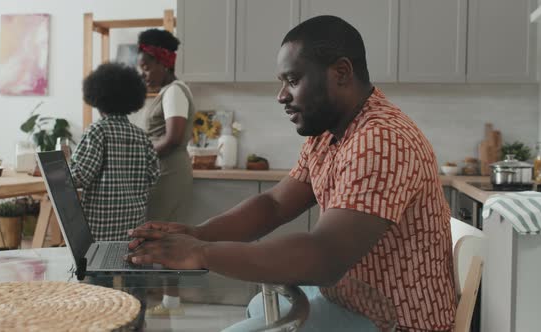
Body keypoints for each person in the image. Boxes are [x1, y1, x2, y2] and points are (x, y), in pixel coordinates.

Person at [127, 15, 456, 332]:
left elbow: (324, 256)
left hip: (396, 321)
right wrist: (199, 234)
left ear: (341, 72)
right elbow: (274, 204)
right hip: (355, 299)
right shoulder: (328, 133)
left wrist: (200, 252)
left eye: (293, 80)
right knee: (260, 307)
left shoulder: (380, 140)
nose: (281, 95)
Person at [137, 28, 196, 315]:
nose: (144, 74)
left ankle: (171, 303)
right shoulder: (169, 91)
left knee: (163, 235)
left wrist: (142, 155)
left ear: (163, 62)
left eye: (147, 67)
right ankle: (170, 301)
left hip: (169, 172)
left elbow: (172, 137)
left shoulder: (174, 91)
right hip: (168, 170)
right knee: (163, 234)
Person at [71, 62, 160, 241]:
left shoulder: (97, 131)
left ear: (97, 99)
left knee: (96, 268)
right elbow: (153, 176)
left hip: (99, 230)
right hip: (133, 229)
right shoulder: (141, 136)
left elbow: (80, 176)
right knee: (124, 266)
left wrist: (60, 172)